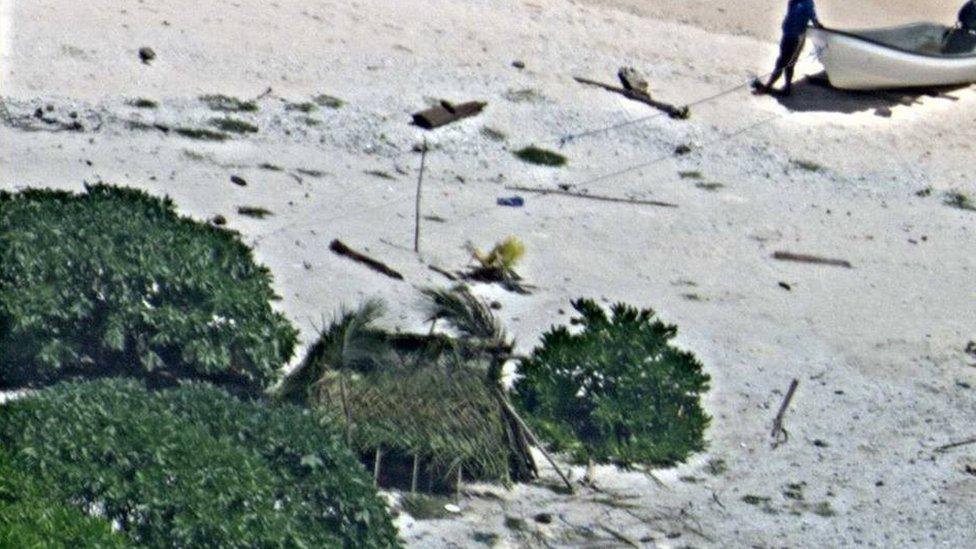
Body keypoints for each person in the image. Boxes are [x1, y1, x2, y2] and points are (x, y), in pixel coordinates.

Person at [753, 0, 821, 96]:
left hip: (794, 38)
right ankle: (787, 88)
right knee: (787, 63)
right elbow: (812, 19)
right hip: (789, 35)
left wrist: (819, 27)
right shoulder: (798, 2)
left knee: (783, 62)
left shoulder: (806, 3)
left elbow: (814, 20)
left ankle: (767, 87)